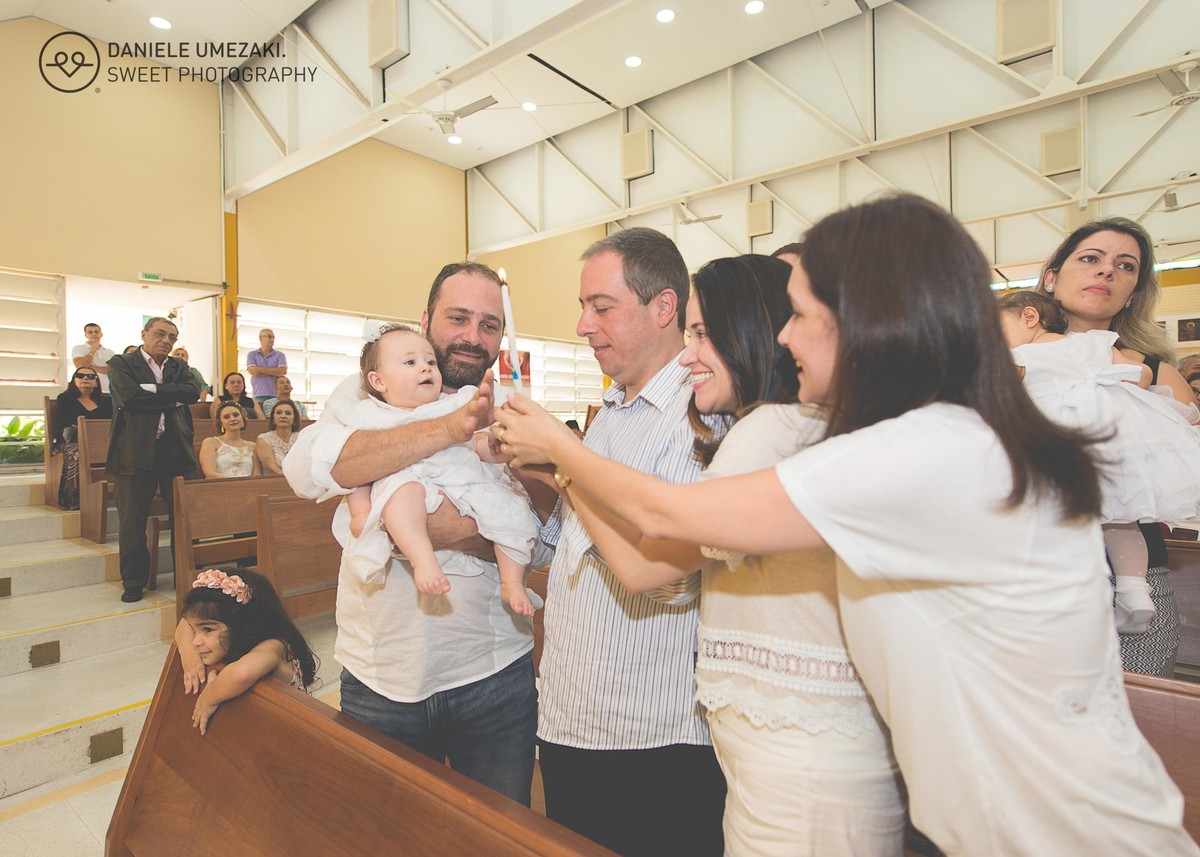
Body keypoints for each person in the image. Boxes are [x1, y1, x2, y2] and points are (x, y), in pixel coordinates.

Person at [494, 195, 1198, 857]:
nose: (786, 335)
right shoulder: (941, 434)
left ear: (868, 317)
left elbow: (661, 524)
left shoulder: (924, 450)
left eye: (800, 313)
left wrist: (559, 448)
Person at [536, 253, 904, 855]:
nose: (688, 355)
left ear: (755, 333)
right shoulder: (794, 427)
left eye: (704, 334)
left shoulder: (765, 433)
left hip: (794, 759)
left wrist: (560, 455)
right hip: (776, 747)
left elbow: (647, 560)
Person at [282, 262, 539, 806]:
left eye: (489, 325)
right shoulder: (361, 396)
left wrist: (459, 531)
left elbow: (539, 522)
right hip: (383, 673)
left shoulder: (504, 406)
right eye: (458, 318)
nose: (473, 336)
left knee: (498, 836)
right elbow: (307, 470)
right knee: (383, 834)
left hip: (492, 671)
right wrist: (443, 431)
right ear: (425, 319)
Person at [528, 227, 725, 857]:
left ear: (663, 307)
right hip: (571, 718)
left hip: (652, 734)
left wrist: (562, 465)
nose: (584, 325)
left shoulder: (698, 414)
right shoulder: (610, 411)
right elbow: (562, 543)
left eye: (602, 307)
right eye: (583, 307)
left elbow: (662, 570)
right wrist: (527, 476)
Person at [1036, 217, 1195, 676]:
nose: (1106, 272)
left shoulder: (1154, 370)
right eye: (1090, 258)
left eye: (1125, 266)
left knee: (1139, 721)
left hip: (1130, 571)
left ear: (1133, 292)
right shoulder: (1008, 358)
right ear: (1051, 277)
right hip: (1024, 570)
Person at [999, 291, 1200, 634]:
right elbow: (1141, 377)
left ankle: (1070, 589)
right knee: (1123, 521)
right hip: (1114, 447)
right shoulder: (1094, 343)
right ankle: (1134, 591)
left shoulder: (1019, 357)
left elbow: (1000, 394)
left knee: (1057, 520)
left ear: (1029, 318)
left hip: (1060, 451)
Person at [342, 325, 537, 616]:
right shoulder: (370, 416)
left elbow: (476, 443)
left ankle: (512, 582)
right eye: (410, 363)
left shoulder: (455, 404)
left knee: (511, 510)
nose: (425, 369)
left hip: (466, 482)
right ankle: (422, 559)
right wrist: (360, 512)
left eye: (430, 362)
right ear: (378, 381)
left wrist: (494, 449)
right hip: (410, 481)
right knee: (402, 496)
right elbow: (355, 474)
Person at [106, 317, 200, 602]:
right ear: (144, 334)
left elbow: (192, 392)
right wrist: (172, 398)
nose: (166, 341)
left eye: (172, 337)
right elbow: (130, 398)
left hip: (176, 451)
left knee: (184, 519)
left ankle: (185, 577)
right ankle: (134, 582)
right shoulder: (121, 364)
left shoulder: (178, 366)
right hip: (134, 451)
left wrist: (152, 390)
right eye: (160, 334)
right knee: (132, 521)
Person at [176, 568, 317, 734]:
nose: (196, 642)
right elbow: (184, 624)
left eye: (207, 630)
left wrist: (209, 696)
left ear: (242, 625)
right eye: (195, 630)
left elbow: (241, 674)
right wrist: (188, 655)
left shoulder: (274, 646)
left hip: (294, 732)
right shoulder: (234, 637)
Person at [53, 368, 112, 510]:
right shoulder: (64, 399)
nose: (85, 378)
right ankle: (72, 498)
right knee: (76, 451)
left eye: (91, 376)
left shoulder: (107, 401)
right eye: (80, 375)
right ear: (74, 380)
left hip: (102, 442)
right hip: (71, 442)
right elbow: (66, 423)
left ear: (96, 383)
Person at [199, 402, 260, 479]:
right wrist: (234, 485)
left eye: (236, 415)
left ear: (243, 419)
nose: (233, 419)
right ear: (221, 423)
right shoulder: (210, 442)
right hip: (220, 487)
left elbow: (257, 475)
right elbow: (210, 473)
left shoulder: (253, 446)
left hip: (248, 488)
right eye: (226, 417)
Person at [255, 400, 300, 475]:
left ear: (294, 419)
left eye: (288, 413)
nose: (283, 416)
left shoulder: (301, 438)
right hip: (274, 482)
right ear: (273, 418)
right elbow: (271, 467)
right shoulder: (264, 438)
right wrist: (293, 481)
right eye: (279, 413)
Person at [247, 328, 287, 404]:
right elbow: (253, 371)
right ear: (260, 338)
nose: (271, 339)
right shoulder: (252, 354)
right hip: (258, 394)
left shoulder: (280, 355)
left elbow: (282, 371)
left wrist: (259, 370)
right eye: (269, 336)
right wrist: (274, 371)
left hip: (276, 395)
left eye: (273, 337)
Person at [72, 322, 114, 393]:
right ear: (86, 335)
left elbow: (112, 370)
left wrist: (91, 368)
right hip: (87, 390)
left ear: (101, 334)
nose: (93, 334)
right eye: (90, 332)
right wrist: (93, 350)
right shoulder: (79, 348)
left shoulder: (109, 352)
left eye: (96, 332)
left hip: (108, 390)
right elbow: (80, 366)